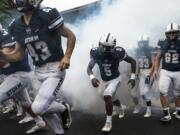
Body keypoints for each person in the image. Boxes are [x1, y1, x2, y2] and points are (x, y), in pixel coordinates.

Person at [1, 0, 76, 134]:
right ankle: (59, 132)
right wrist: (3, 55)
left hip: (55, 68)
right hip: (38, 71)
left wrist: (67, 56)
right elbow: (18, 54)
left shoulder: (47, 14)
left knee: (38, 108)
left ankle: (63, 108)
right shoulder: (16, 25)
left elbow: (70, 35)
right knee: (45, 111)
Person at [0, 24, 45, 134]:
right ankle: (40, 123)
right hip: (13, 75)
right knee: (25, 103)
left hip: (20, 74)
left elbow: (4, 59)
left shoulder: (5, 36)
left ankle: (60, 106)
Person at [87, 33, 136, 132]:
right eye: (102, 46)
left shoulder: (118, 53)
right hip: (103, 80)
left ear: (113, 47)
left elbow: (132, 61)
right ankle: (121, 107)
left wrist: (133, 77)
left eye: (107, 48)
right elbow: (89, 68)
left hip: (115, 79)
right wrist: (92, 77)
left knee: (107, 95)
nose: (104, 49)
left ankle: (108, 123)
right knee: (106, 97)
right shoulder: (95, 52)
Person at [153, 23, 180, 123]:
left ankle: (178, 112)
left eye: (174, 32)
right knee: (162, 91)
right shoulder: (162, 42)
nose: (172, 34)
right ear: (166, 33)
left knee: (178, 93)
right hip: (165, 71)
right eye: (170, 32)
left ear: (178, 32)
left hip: (178, 71)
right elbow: (158, 57)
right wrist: (155, 70)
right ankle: (167, 115)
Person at [132, 35, 155, 117]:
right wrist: (136, 74)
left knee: (145, 92)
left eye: (143, 43)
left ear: (146, 43)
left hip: (149, 71)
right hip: (141, 72)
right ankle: (149, 103)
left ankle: (149, 110)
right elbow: (138, 63)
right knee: (142, 93)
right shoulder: (137, 51)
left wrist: (150, 75)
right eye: (140, 43)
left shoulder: (150, 50)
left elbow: (154, 64)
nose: (141, 44)